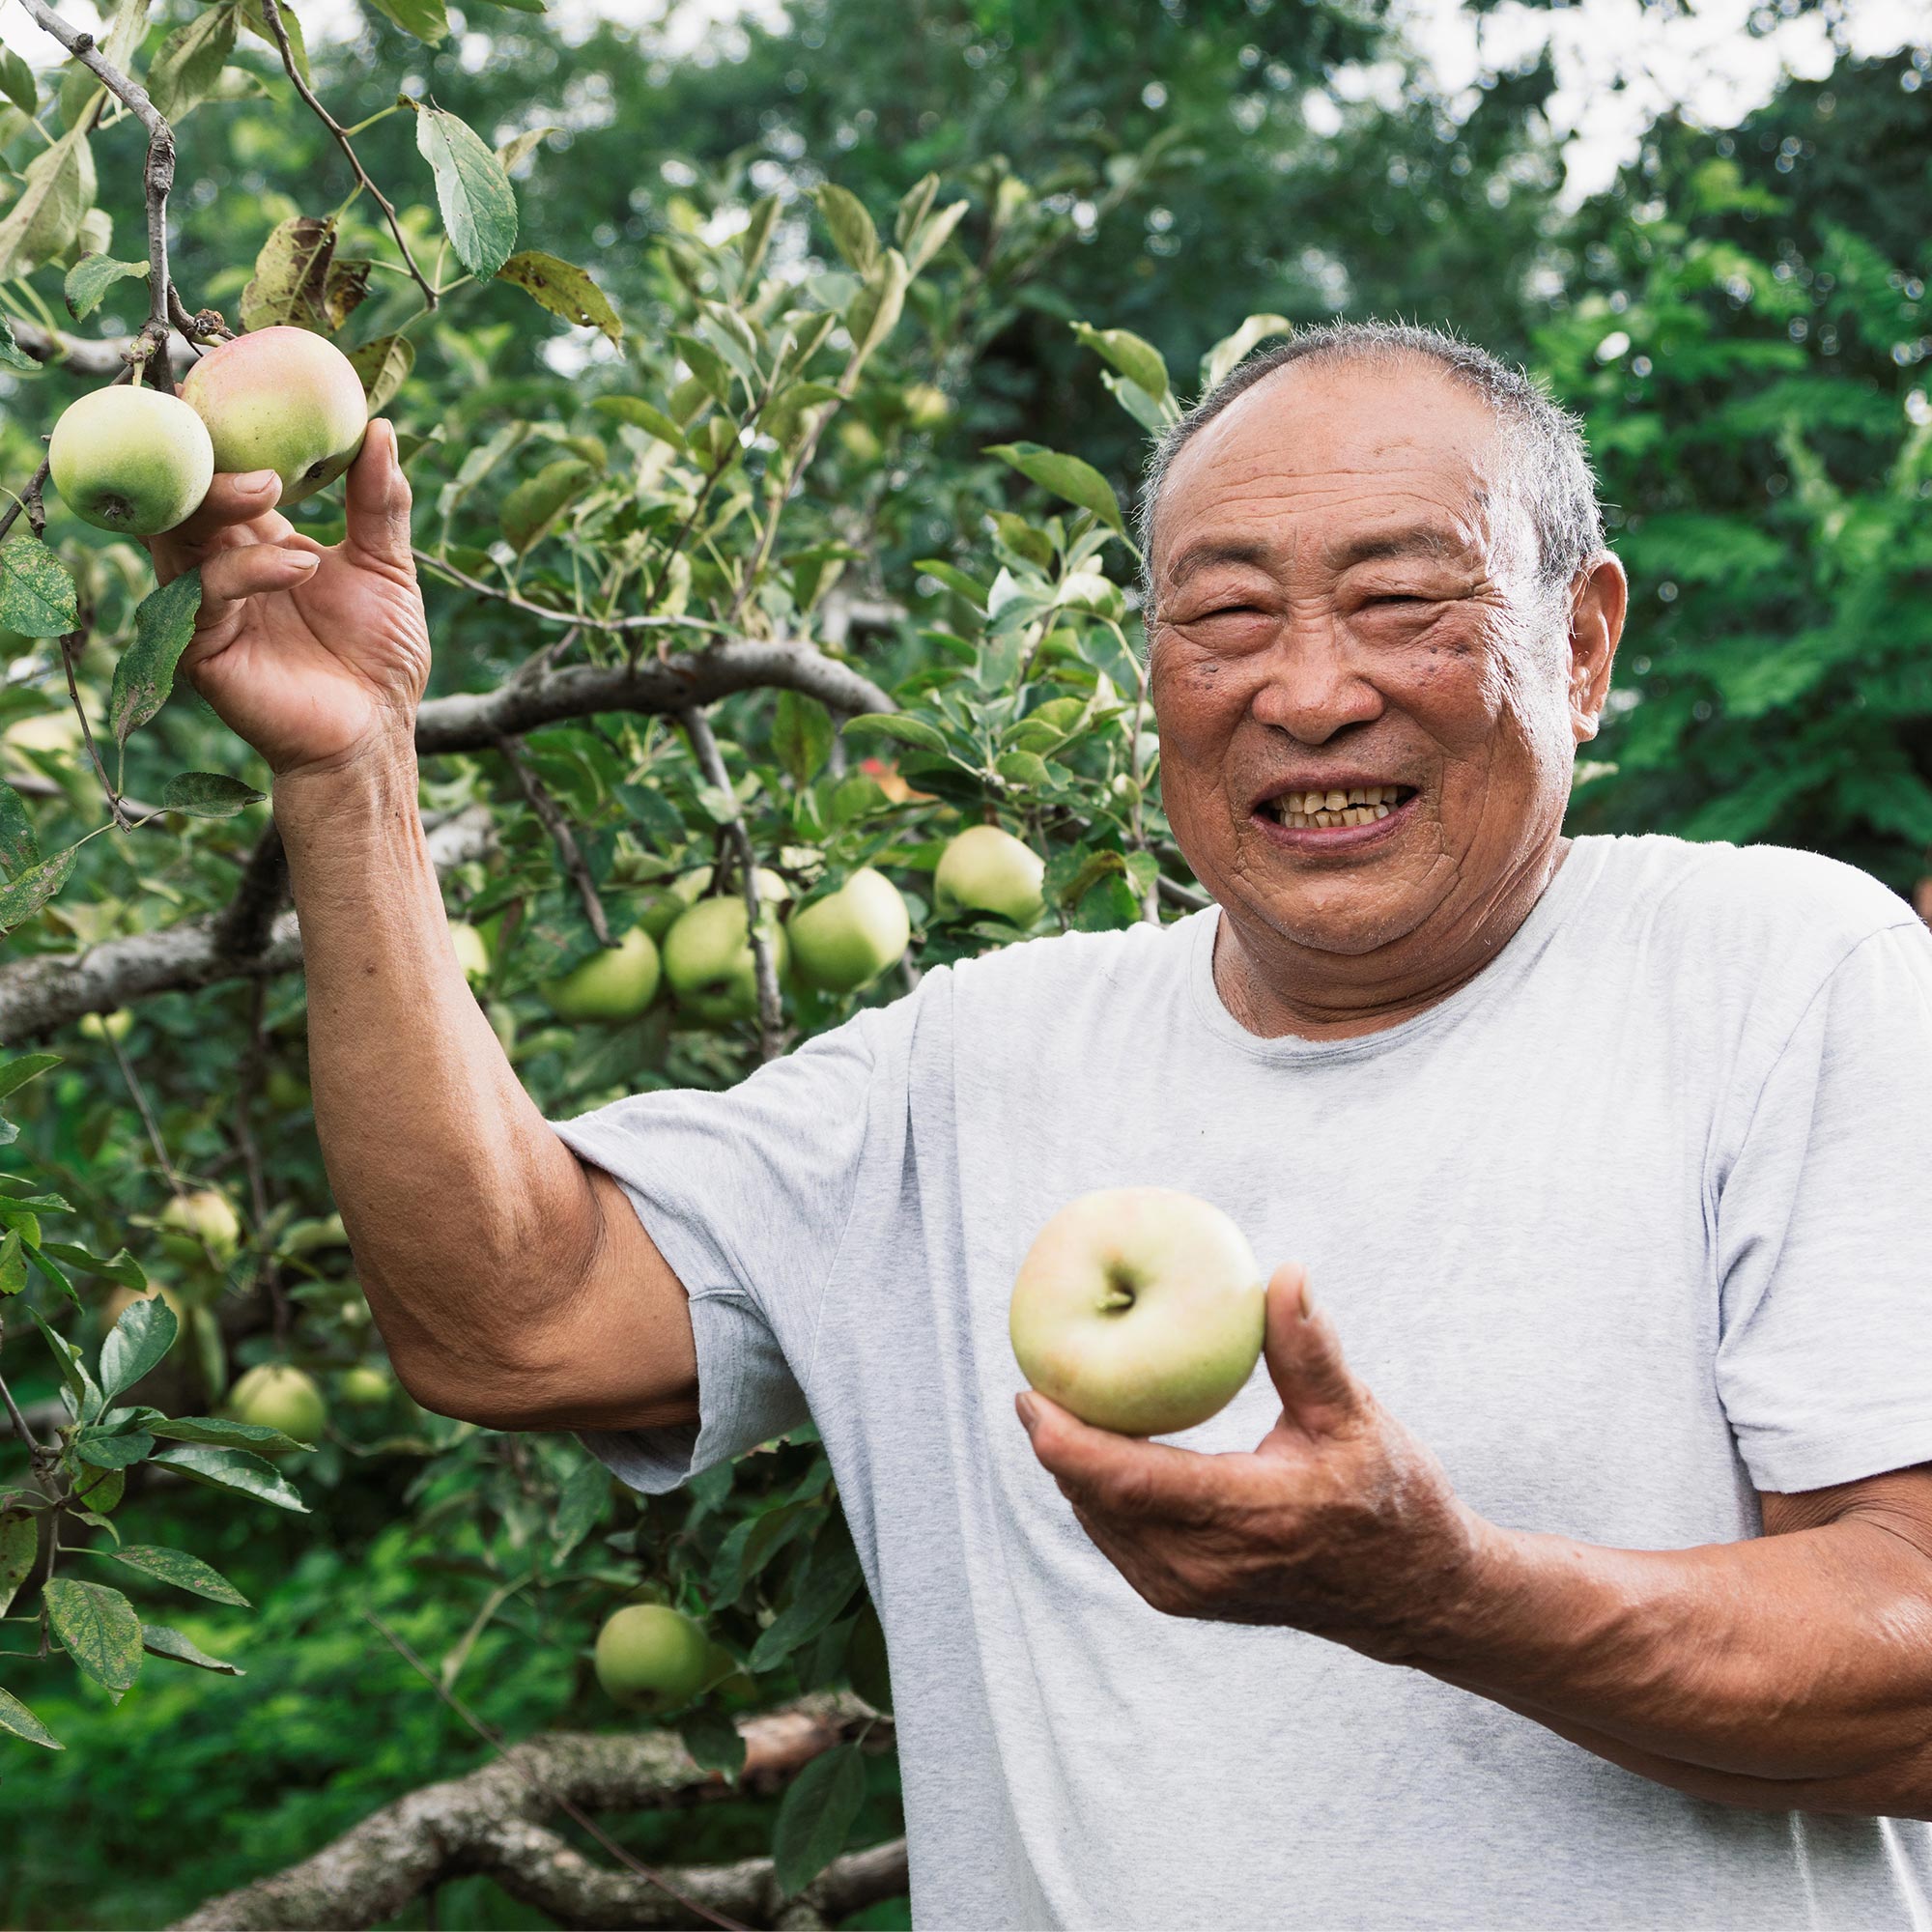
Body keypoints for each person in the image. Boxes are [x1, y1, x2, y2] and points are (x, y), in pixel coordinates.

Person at [151, 319, 1932, 1930]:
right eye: (1225, 616)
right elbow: (508, 1321)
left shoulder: (1780, 976)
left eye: (1405, 602)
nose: (1308, 690)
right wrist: (351, 772)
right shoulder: (974, 1067)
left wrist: (1442, 1593)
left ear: (1585, 642)